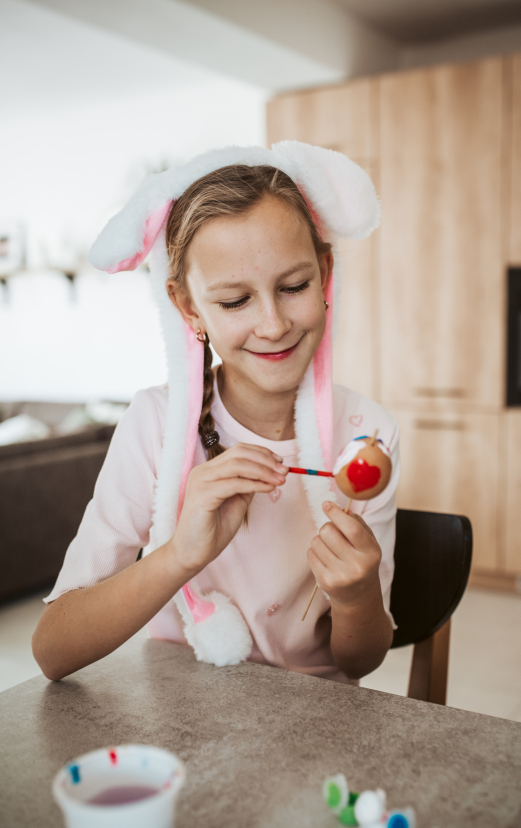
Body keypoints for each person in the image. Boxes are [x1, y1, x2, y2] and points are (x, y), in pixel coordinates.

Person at [32, 142, 400, 685]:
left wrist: (358, 595)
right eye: (234, 301)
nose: (273, 325)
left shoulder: (367, 435)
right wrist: (177, 554)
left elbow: (361, 660)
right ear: (188, 307)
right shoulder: (154, 426)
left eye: (294, 286)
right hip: (184, 717)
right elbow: (52, 650)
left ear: (325, 273)